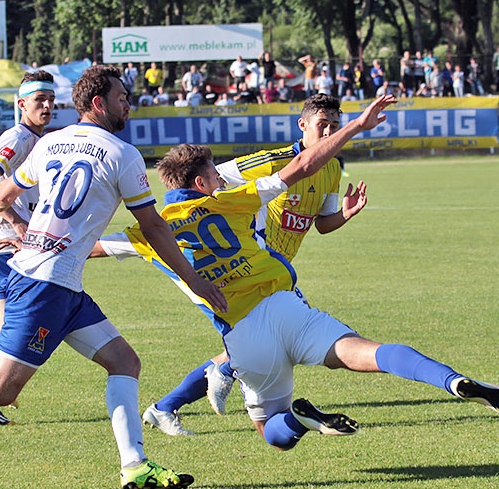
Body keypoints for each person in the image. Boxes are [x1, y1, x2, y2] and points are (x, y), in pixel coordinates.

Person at [0, 65, 228, 489]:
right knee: (0, 389)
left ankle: (134, 467)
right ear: (98, 103)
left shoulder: (51, 142)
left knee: (124, 362)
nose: (127, 105)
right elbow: (152, 226)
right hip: (44, 286)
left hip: (60, 284)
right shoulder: (122, 154)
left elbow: (1, 192)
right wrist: (193, 278)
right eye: (121, 98)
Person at [92, 95, 499, 456]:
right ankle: (451, 381)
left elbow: (90, 248)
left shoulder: (149, 230)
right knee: (368, 352)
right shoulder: (232, 200)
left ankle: (292, 417)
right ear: (205, 181)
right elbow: (298, 168)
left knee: (271, 431)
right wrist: (355, 126)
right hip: (286, 305)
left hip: (242, 330)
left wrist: (31, 243)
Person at [99, 93, 365, 435]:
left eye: (334, 126)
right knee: (272, 342)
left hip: (272, 270)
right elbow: (213, 181)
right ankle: (210, 386)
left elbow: (324, 223)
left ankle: (169, 405)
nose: (328, 132)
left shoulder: (332, 167)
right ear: (303, 125)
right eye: (321, 125)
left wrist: (345, 212)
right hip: (245, 261)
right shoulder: (275, 161)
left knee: (259, 343)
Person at [0, 70, 56, 427]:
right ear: (22, 104)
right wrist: (16, 223)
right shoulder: (18, 136)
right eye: (40, 101)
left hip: (15, 247)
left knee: (15, 324)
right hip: (3, 246)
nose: (48, 106)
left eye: (51, 100)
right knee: (12, 325)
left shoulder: (42, 138)